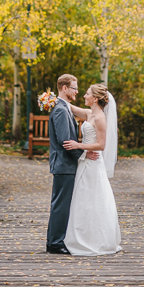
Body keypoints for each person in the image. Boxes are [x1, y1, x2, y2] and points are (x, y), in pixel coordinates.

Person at [62, 83, 121, 256]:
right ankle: (81, 235)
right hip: (85, 163)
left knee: (94, 200)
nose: (84, 96)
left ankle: (95, 240)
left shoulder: (100, 118)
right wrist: (53, 99)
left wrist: (78, 145)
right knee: (82, 200)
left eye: (87, 94)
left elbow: (102, 145)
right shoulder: (89, 113)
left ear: (95, 98)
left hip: (94, 163)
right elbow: (70, 107)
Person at [46, 74, 98, 254]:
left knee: (61, 203)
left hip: (65, 164)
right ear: (64, 88)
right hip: (63, 164)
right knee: (60, 204)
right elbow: (65, 141)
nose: (77, 91)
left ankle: (56, 240)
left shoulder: (64, 106)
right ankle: (55, 243)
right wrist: (84, 153)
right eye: (74, 88)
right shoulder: (60, 110)